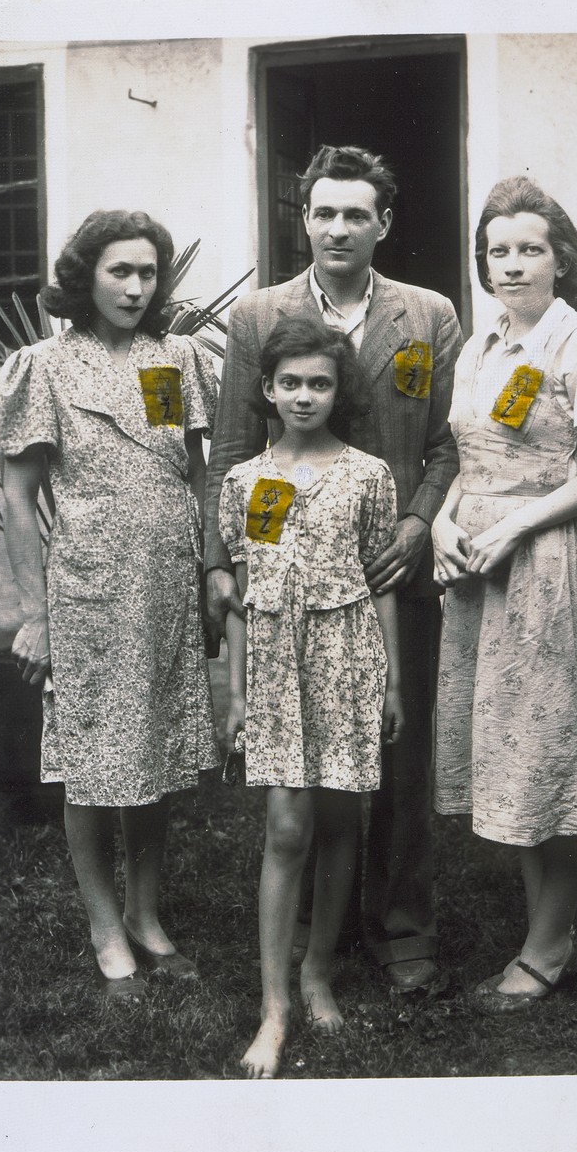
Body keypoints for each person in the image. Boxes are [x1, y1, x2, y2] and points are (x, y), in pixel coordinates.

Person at [205, 145, 462, 993]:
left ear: (384, 223)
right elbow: (234, 451)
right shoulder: (257, 317)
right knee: (298, 756)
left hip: (388, 572)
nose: (339, 228)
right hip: (286, 581)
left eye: (357, 214)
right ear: (304, 220)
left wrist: (420, 522)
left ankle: (401, 927)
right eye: (325, 212)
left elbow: (444, 445)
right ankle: (315, 927)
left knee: (396, 745)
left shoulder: (428, 316)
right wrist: (223, 566)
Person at [0, 209, 220, 998]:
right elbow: (18, 495)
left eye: (148, 273)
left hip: (165, 581)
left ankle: (146, 914)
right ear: (85, 276)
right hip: (89, 585)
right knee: (93, 760)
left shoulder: (177, 360)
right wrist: (36, 612)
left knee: (152, 753)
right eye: (119, 271)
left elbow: (194, 473)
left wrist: (209, 573)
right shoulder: (43, 366)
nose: (135, 287)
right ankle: (104, 929)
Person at [431, 176, 577, 1013]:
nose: (512, 265)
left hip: (544, 565)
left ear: (561, 258)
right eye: (499, 251)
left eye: (530, 249)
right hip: (478, 569)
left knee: (553, 744)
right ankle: (544, 931)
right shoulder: (479, 349)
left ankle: (548, 947)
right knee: (511, 749)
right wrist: (446, 523)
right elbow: (468, 460)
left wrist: (515, 530)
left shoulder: (574, 341)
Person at [220, 318, 404, 1078]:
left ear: (340, 391)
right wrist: (234, 693)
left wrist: (390, 680)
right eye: (290, 382)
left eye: (319, 383)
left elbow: (381, 584)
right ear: (267, 390)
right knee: (287, 827)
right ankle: (274, 1008)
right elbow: (241, 597)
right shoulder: (244, 482)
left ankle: (317, 971)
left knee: (337, 822)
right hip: (273, 664)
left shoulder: (369, 476)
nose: (304, 395)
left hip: (347, 657)